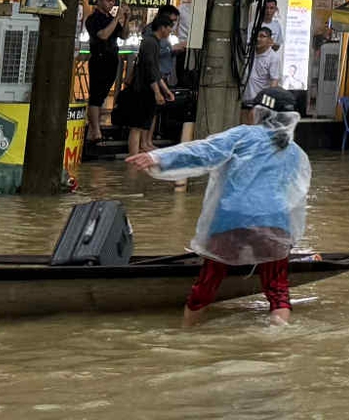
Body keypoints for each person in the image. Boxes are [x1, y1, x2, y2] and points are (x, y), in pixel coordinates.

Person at [128, 87, 311, 326]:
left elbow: (203, 152)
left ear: (259, 113)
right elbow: (296, 196)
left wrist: (157, 158)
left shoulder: (243, 135)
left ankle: (187, 332)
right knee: (277, 290)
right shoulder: (295, 152)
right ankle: (279, 331)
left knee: (208, 282)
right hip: (275, 224)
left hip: (232, 220)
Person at [114, 14, 176, 155]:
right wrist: (158, 92)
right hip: (142, 89)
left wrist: (165, 90)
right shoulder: (150, 42)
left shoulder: (153, 42)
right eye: (169, 28)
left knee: (140, 125)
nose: (170, 31)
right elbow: (150, 69)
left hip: (145, 88)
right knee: (137, 126)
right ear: (162, 28)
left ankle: (135, 156)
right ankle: (133, 157)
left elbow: (154, 70)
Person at [83, 0, 125, 140]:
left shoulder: (110, 18)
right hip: (99, 59)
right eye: (108, 1)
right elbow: (103, 35)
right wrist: (116, 19)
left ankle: (92, 130)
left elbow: (123, 35)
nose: (111, 4)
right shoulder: (93, 19)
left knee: (103, 96)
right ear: (99, 0)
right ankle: (96, 131)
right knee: (96, 96)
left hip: (112, 59)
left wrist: (126, 18)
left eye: (113, 1)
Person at [243, 28, 282, 124]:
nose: (258, 39)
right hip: (244, 99)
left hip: (259, 102)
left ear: (270, 40)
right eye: (256, 36)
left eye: (262, 36)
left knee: (255, 128)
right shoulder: (248, 52)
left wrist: (265, 104)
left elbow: (274, 82)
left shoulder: (273, 57)